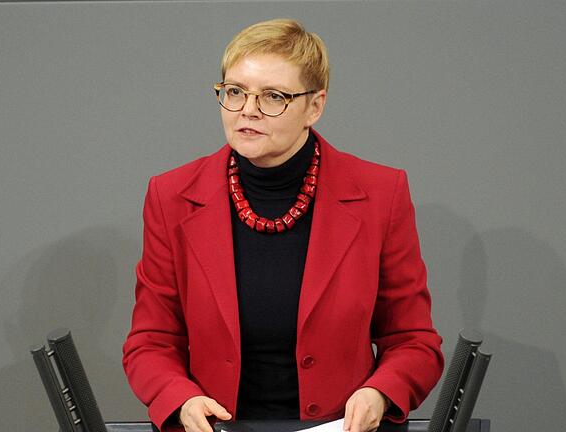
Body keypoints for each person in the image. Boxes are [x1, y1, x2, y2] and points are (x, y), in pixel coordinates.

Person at [122, 18, 444, 432]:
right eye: (235, 92)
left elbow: (414, 340)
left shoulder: (382, 194)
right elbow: (150, 342)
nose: (247, 110)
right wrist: (180, 399)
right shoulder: (171, 196)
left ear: (315, 106)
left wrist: (380, 391)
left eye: (273, 96)